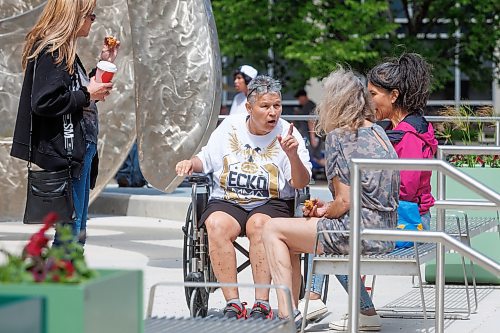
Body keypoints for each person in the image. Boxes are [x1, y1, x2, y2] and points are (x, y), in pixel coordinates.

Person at [298, 53, 438, 331]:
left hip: (409, 223)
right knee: (333, 226)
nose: (368, 101)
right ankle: (335, 303)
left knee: (331, 235)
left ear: (394, 95)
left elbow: (405, 190)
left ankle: (335, 303)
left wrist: (349, 200)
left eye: (373, 94)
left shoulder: (408, 136)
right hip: (400, 217)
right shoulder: (393, 131)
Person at [262, 68, 400, 331]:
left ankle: (286, 315)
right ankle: (359, 310)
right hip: (384, 230)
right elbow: (357, 198)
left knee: (273, 228)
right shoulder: (379, 133)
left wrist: (324, 211)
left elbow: (344, 202)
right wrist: (329, 210)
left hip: (359, 232)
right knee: (310, 233)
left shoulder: (339, 137)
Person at [176, 75, 312, 320]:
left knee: (259, 225)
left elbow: (301, 183)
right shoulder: (231, 126)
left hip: (272, 202)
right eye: (265, 106)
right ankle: (234, 303)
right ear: (249, 108)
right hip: (229, 199)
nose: (273, 112)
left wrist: (292, 155)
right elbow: (206, 159)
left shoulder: (289, 133)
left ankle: (262, 302)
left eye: (277, 106)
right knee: (215, 224)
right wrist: (190, 163)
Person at [10, 0, 119, 245]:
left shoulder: (64, 50)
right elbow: (44, 101)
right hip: (66, 153)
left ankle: (63, 278)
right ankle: (61, 281)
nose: (93, 20)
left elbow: (77, 94)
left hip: (79, 151)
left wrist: (103, 67)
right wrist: (87, 94)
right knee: (71, 235)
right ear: (75, 15)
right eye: (91, 15)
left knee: (75, 231)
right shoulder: (53, 50)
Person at [293, 89, 325, 173]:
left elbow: (311, 121)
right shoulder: (305, 106)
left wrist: (313, 137)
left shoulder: (310, 105)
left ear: (304, 97)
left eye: (300, 99)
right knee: (312, 156)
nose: (299, 101)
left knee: (311, 156)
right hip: (308, 136)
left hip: (310, 137)